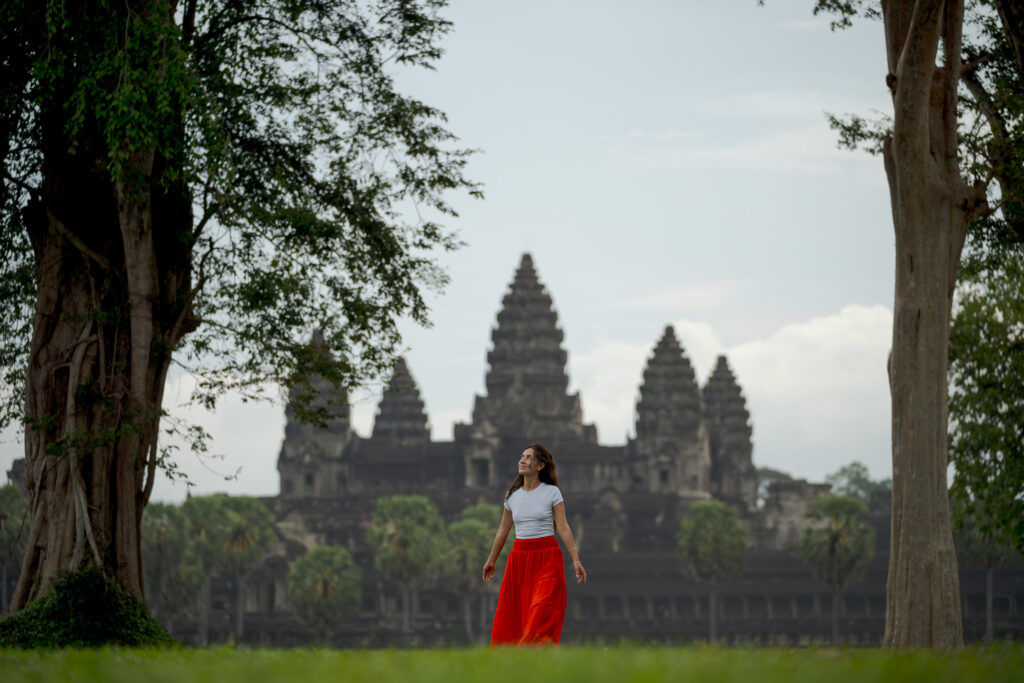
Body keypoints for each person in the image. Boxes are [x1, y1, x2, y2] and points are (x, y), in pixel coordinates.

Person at [482, 442, 587, 646]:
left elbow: (563, 527)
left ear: (540, 466)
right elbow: (503, 530)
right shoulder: (512, 495)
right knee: (518, 613)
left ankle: (528, 648)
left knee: (542, 606)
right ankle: (523, 659)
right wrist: (491, 560)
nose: (522, 461)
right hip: (519, 558)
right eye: (522, 457)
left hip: (547, 556)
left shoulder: (552, 492)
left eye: (529, 457)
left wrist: (575, 560)